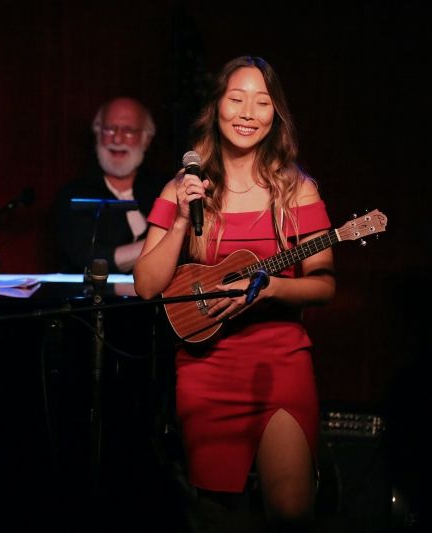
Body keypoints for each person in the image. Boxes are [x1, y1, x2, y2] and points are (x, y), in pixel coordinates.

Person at [133, 56, 336, 532]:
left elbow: (324, 285)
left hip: (279, 363)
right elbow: (146, 285)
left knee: (290, 513)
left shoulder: (297, 191)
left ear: (275, 115)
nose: (248, 112)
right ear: (217, 108)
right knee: (218, 519)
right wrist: (183, 218)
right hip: (206, 367)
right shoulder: (178, 190)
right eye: (237, 98)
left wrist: (266, 289)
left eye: (262, 102)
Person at [53, 97, 166, 274]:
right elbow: (82, 256)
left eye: (128, 131)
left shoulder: (164, 189)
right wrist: (166, 242)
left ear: (146, 139)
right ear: (98, 134)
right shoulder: (72, 194)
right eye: (110, 129)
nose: (118, 138)